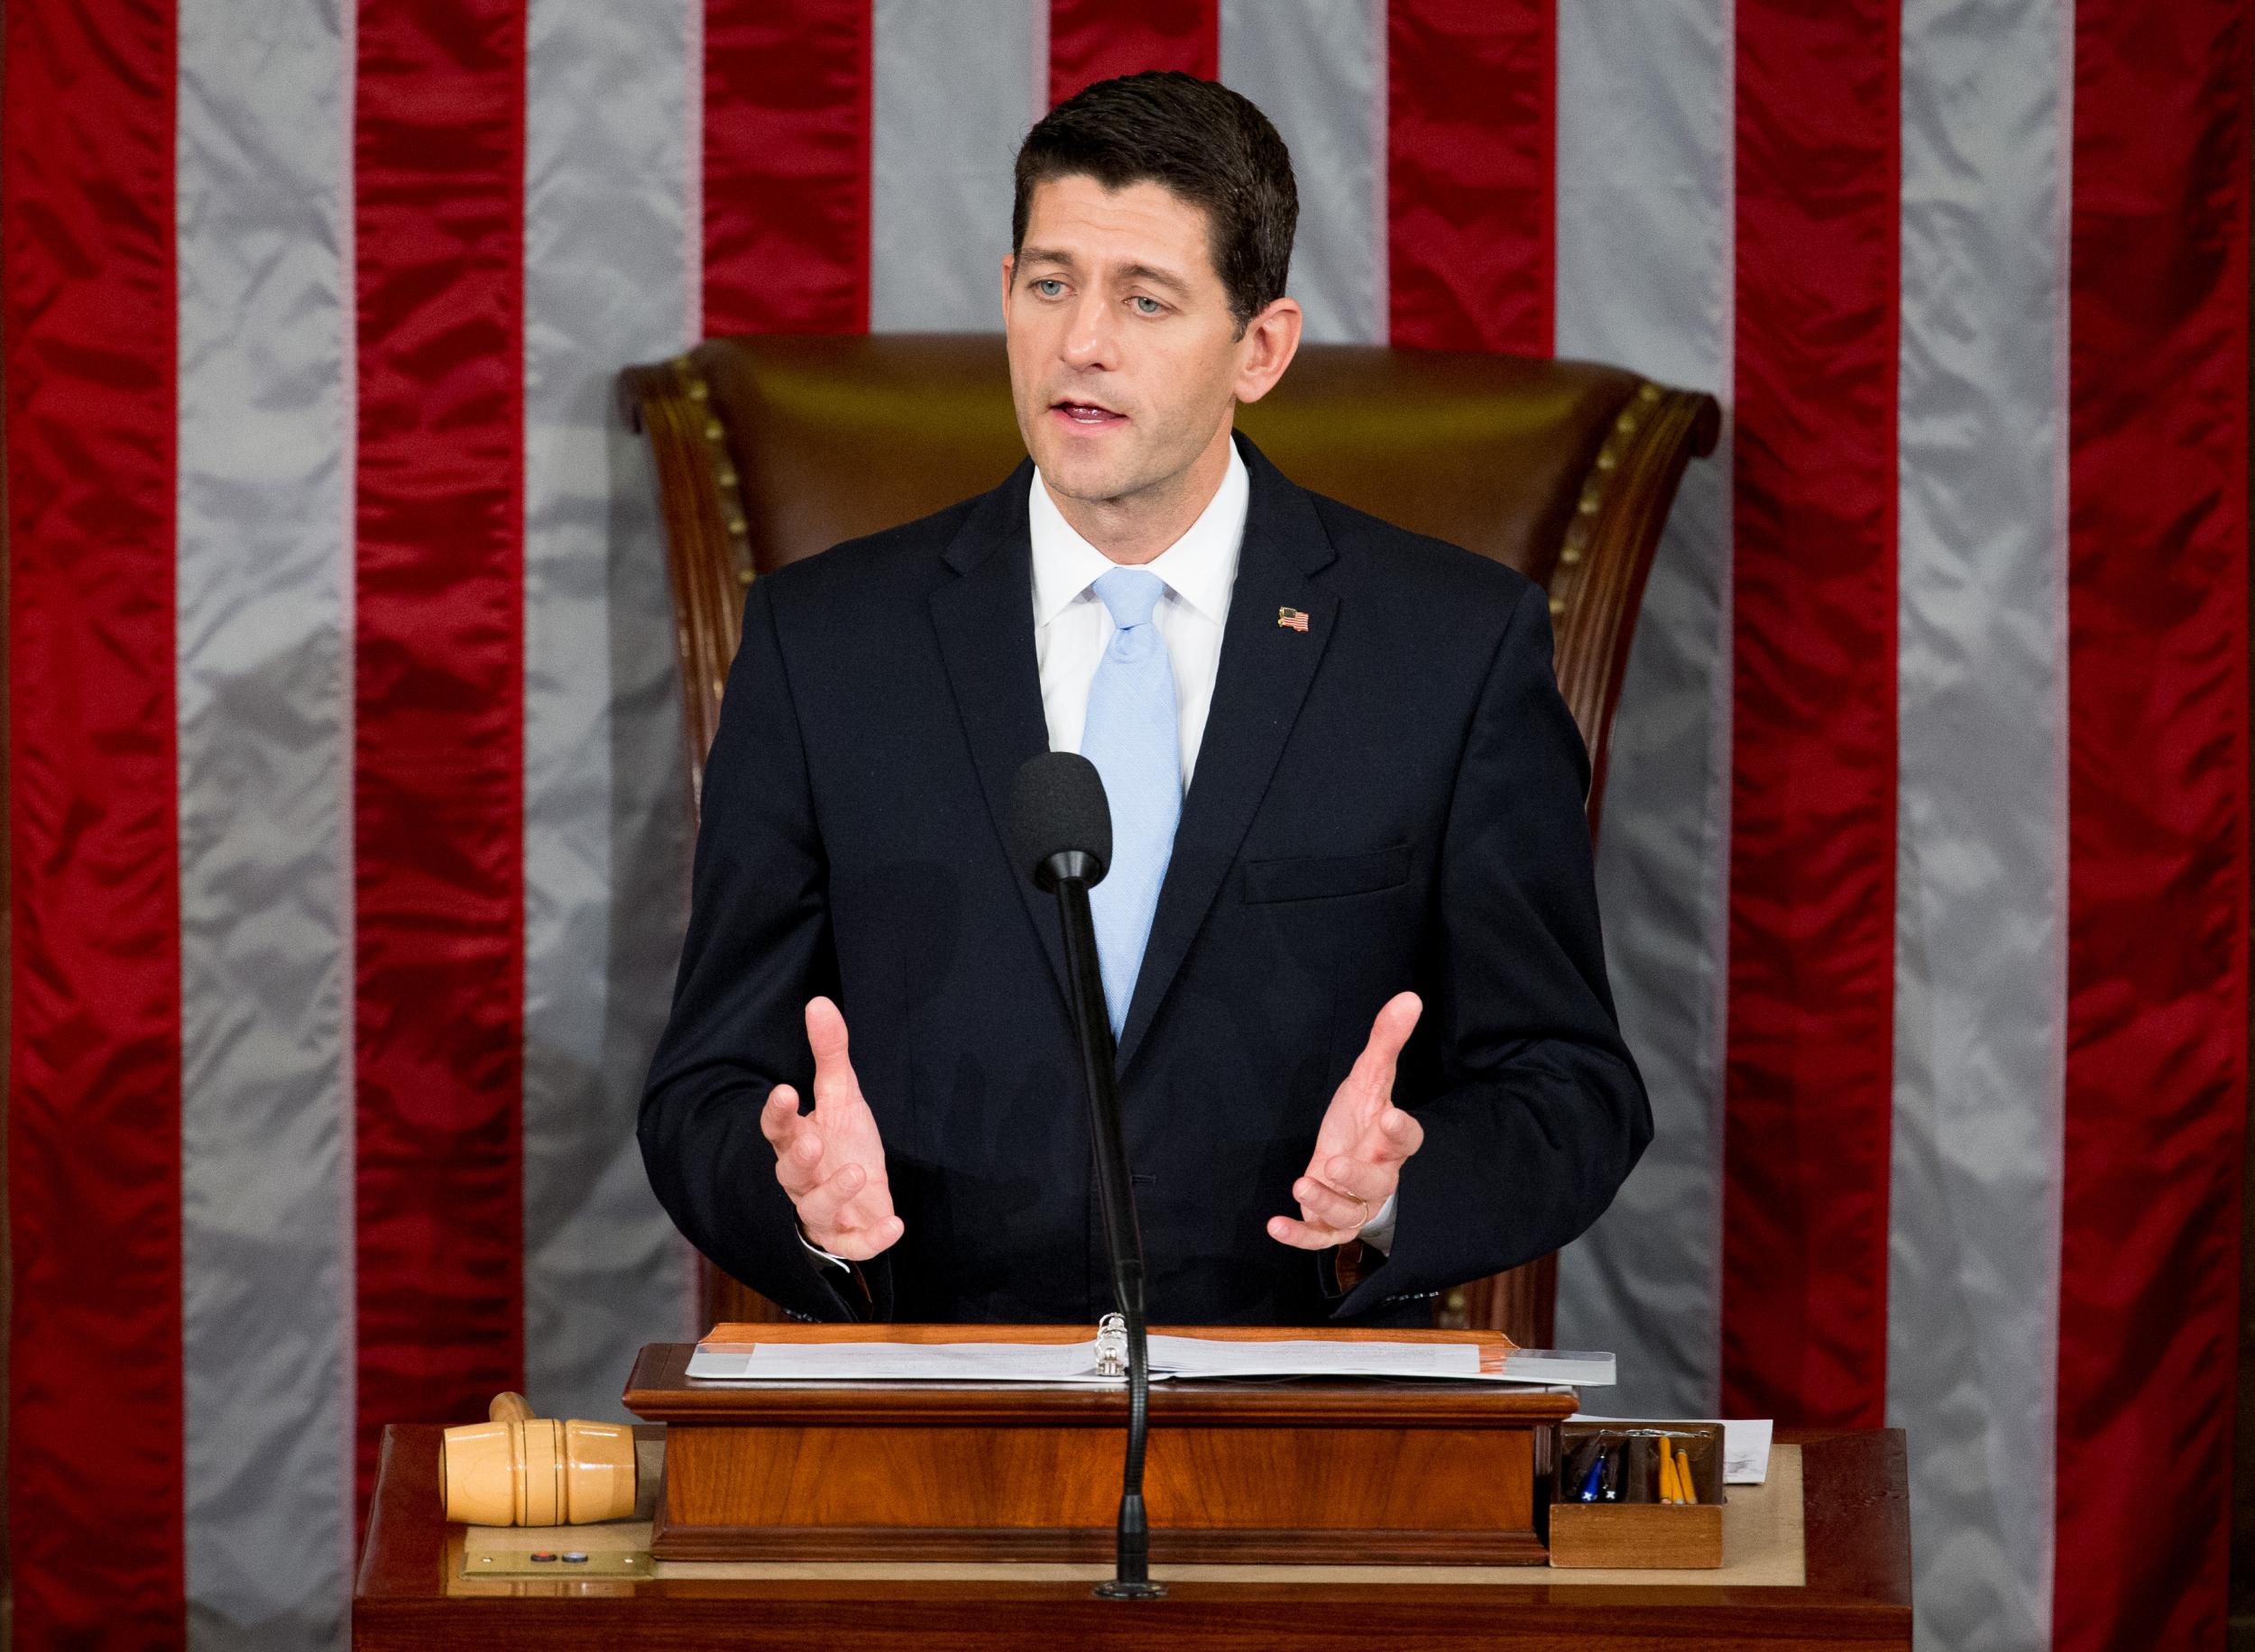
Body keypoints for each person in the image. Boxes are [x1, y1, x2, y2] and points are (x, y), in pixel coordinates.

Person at [640, 72, 1649, 1327]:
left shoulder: (1447, 650)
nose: (1082, 344)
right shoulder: (826, 643)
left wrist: (1393, 1191)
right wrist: (792, 1195)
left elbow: (1567, 1085)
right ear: (1007, 294)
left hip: (1308, 1430)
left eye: (1146, 299)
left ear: (1262, 349)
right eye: (1051, 284)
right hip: (930, 1414)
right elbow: (705, 1083)